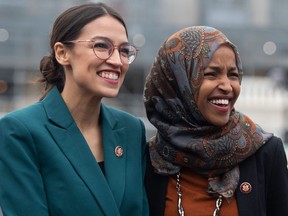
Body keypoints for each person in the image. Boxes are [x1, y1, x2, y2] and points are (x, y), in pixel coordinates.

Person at [0, 3, 148, 216]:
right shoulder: (19, 131)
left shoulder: (131, 130)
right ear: (62, 53)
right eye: (101, 46)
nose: (117, 61)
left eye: (124, 50)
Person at [143, 26, 288, 216]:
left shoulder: (266, 154)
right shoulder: (150, 160)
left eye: (233, 75)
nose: (227, 86)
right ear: (177, 81)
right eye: (211, 74)